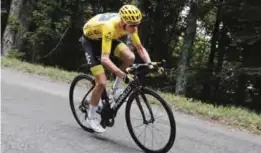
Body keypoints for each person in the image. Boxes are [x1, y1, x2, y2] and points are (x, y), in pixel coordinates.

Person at [81, 4, 152, 133]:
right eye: (132, 25)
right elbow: (105, 59)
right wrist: (122, 75)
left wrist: (150, 65)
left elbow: (140, 48)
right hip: (91, 42)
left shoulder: (130, 26)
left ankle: (115, 88)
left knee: (130, 57)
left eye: (137, 24)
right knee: (101, 82)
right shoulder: (110, 26)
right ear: (123, 22)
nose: (135, 28)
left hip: (107, 38)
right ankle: (90, 117)